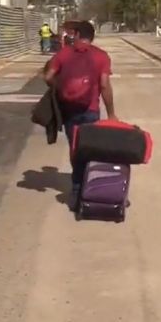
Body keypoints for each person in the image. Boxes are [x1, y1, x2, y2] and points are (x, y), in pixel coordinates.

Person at [43, 21, 116, 211]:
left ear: (76, 34)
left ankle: (76, 191)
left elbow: (48, 77)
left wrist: (60, 89)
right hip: (90, 109)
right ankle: (89, 190)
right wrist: (111, 113)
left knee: (75, 148)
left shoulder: (64, 53)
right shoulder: (101, 56)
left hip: (69, 110)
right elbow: (104, 84)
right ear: (92, 37)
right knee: (90, 149)